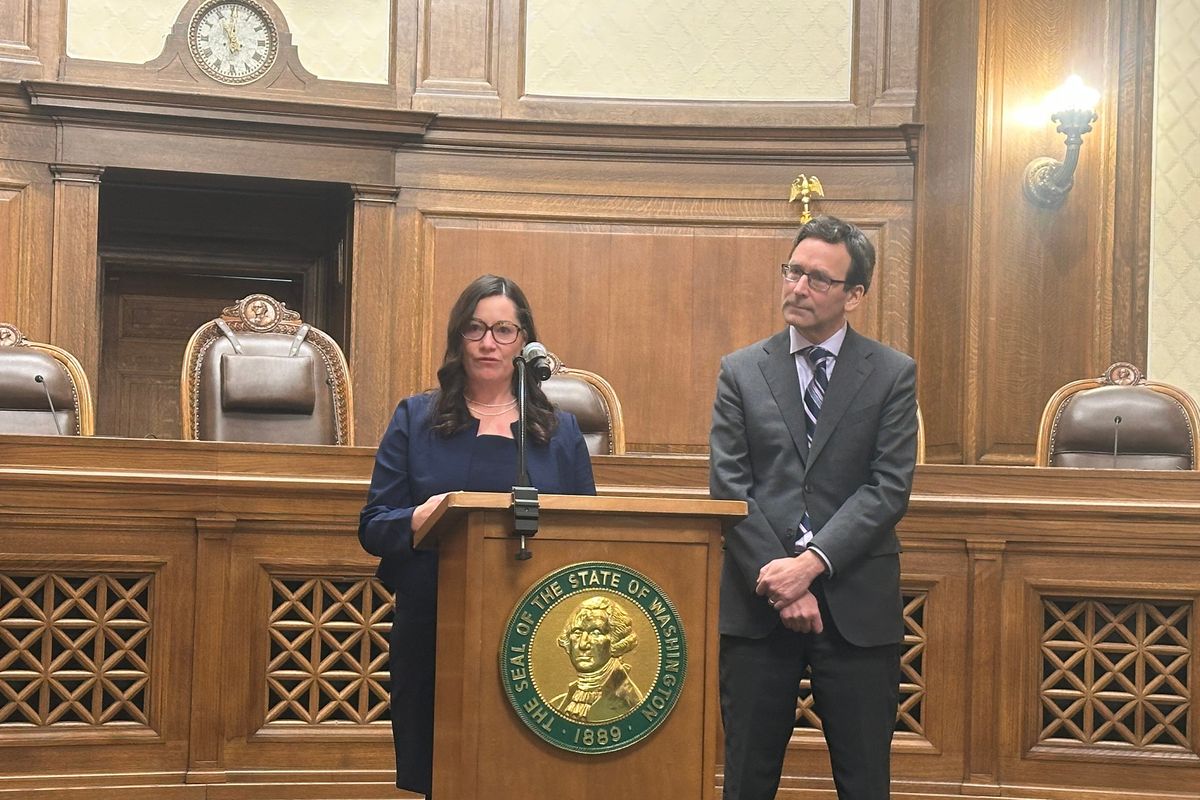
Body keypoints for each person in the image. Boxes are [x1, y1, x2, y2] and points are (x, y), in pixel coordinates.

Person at [358, 274, 596, 798]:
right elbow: (374, 526)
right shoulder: (415, 418)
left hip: (537, 628)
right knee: (445, 771)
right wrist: (418, 518)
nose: (489, 343)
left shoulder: (560, 432)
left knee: (532, 771)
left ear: (524, 341)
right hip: (439, 621)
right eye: (476, 329)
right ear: (458, 337)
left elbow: (588, 535)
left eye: (504, 330)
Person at [709, 215, 918, 800]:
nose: (797, 287)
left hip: (855, 602)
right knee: (747, 777)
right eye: (792, 271)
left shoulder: (892, 374)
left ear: (854, 296)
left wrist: (811, 564)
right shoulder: (742, 370)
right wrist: (782, 579)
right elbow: (729, 485)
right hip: (759, 599)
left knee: (864, 779)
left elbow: (887, 488)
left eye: (817, 279)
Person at [549, 596, 644, 722]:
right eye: (577, 632)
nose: (583, 644)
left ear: (616, 640)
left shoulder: (630, 704)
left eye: (596, 632)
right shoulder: (557, 704)